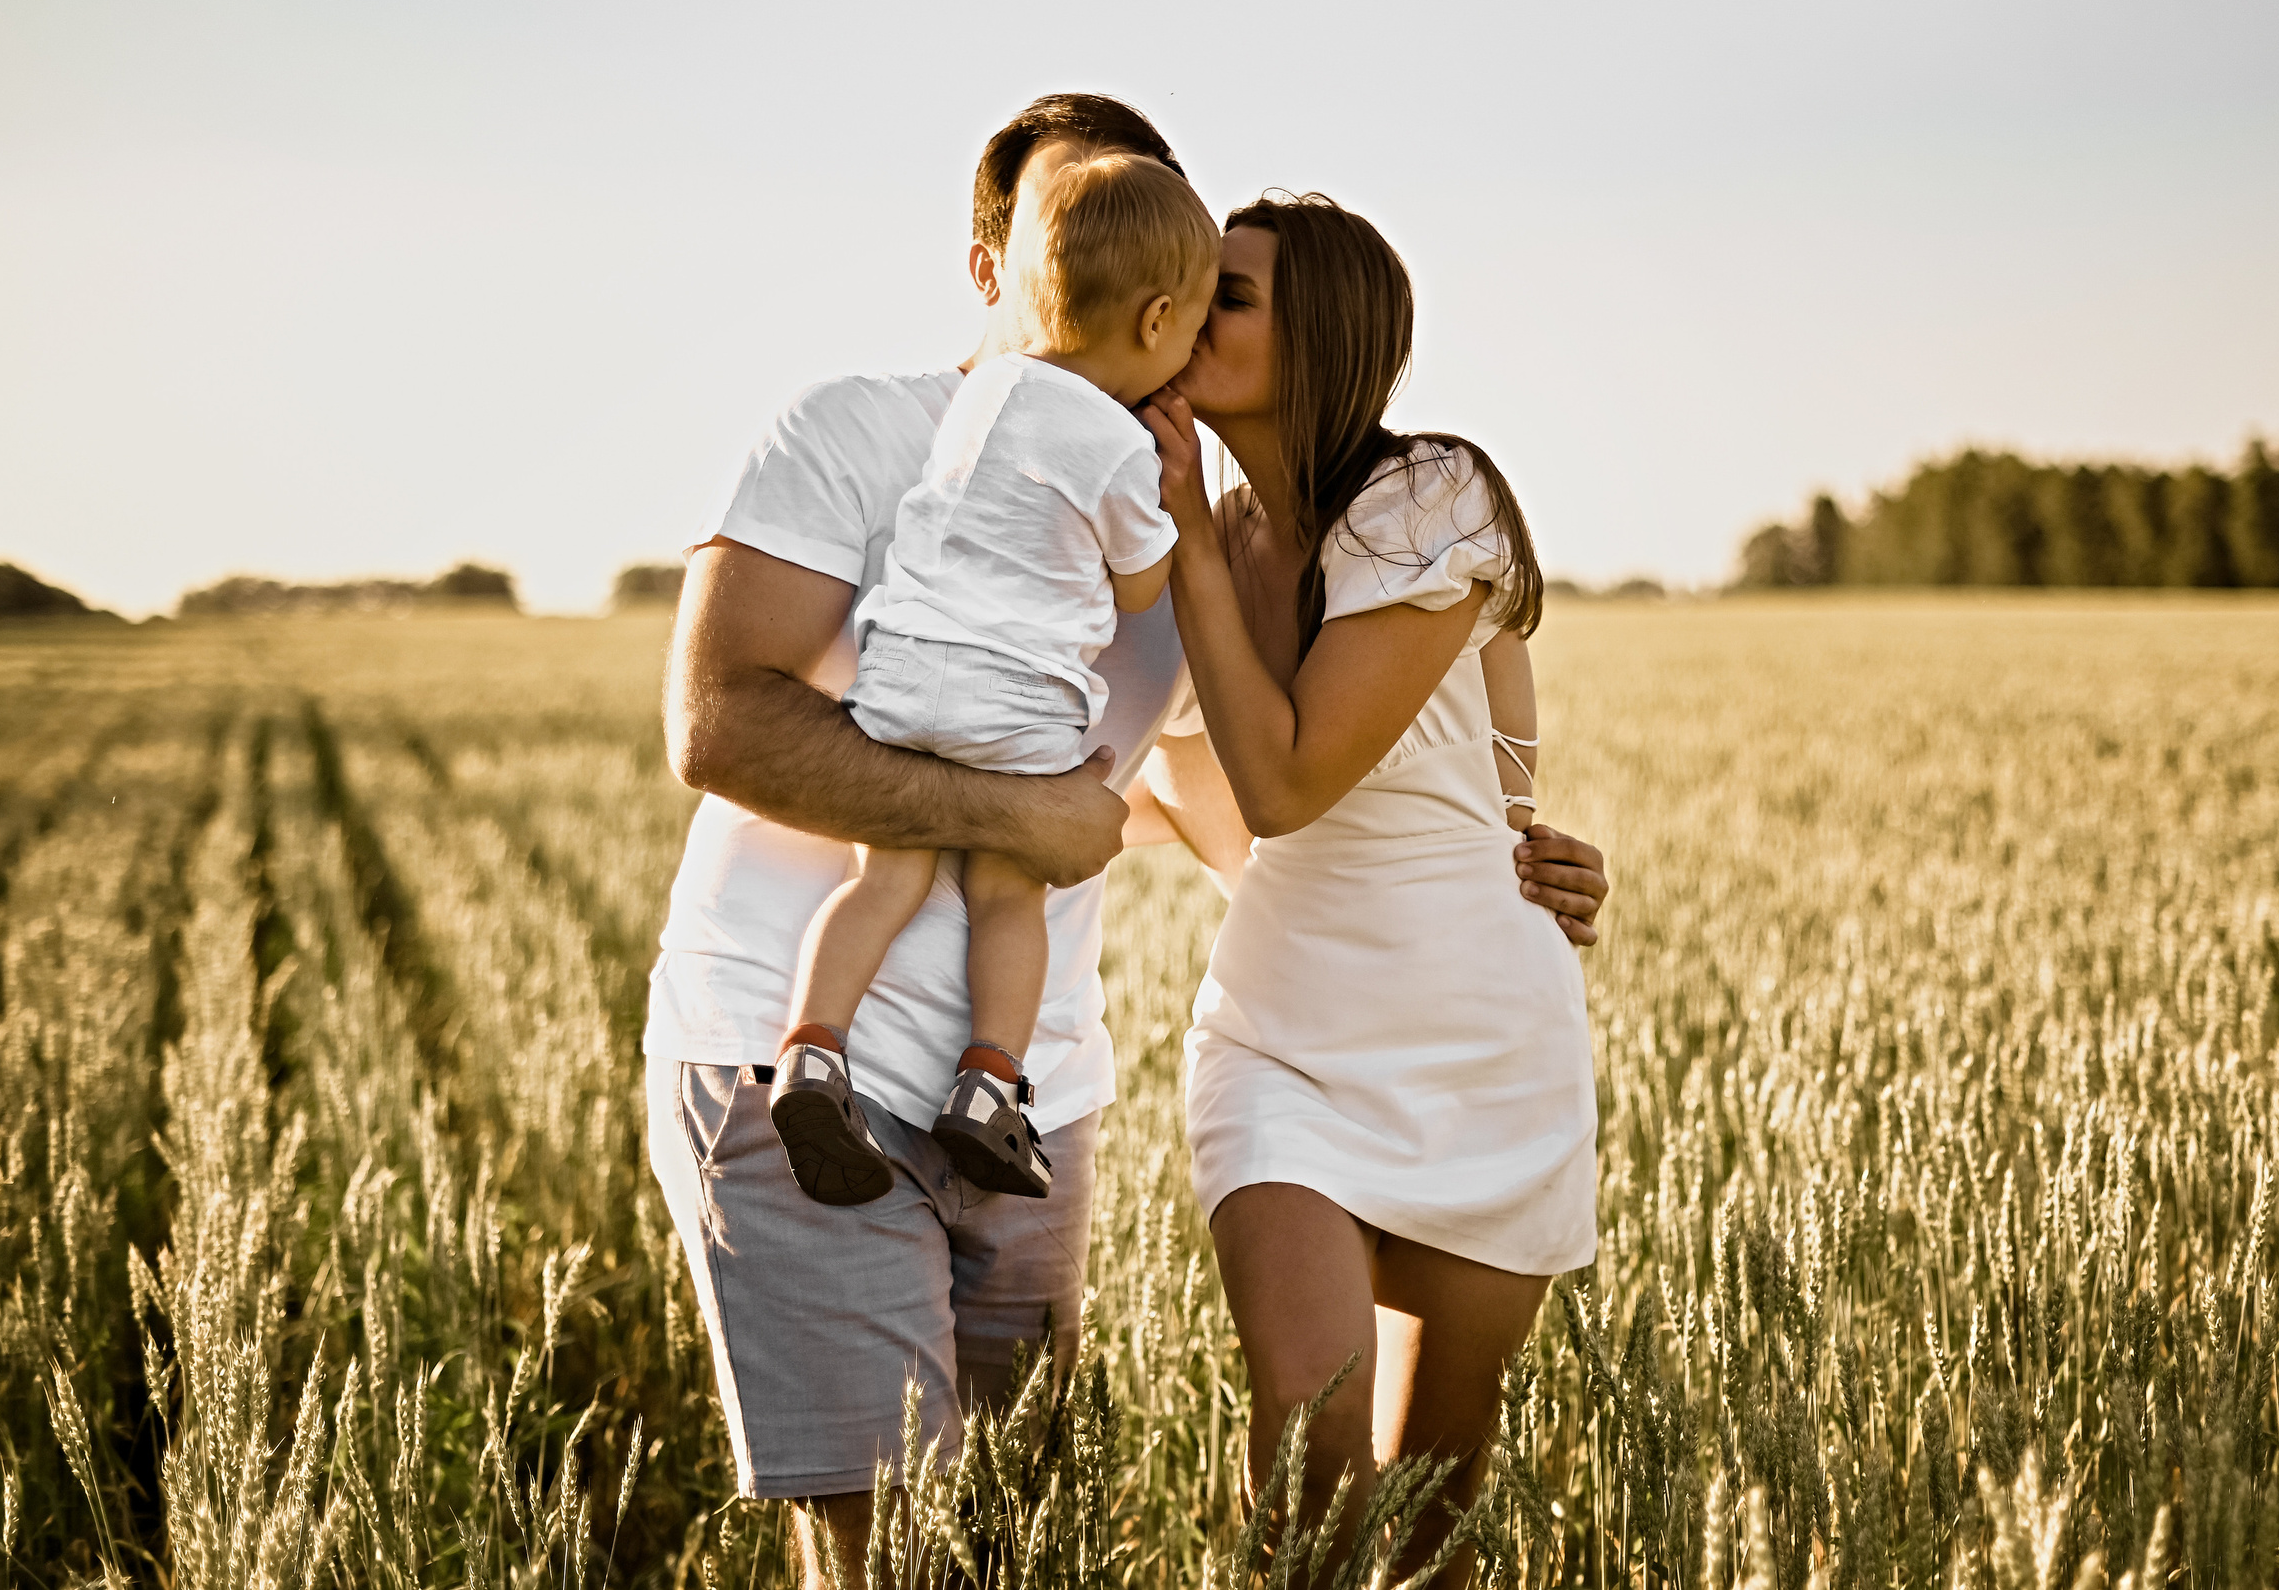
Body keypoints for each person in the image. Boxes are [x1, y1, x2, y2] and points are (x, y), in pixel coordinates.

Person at [647, 94, 1612, 1588]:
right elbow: (717, 726)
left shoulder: (1187, 529)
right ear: (994, 264)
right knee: (902, 1553)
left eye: (1170, 262)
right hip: (795, 1054)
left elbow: (1206, 802)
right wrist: (1016, 815)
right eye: (1070, 241)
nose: (1122, 290)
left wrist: (1515, 853)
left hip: (1025, 1098)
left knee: (1043, 1539)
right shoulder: (858, 432)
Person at [1140, 192, 1599, 1588]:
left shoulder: (1432, 496)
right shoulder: (1185, 531)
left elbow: (1311, 780)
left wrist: (1524, 858)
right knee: (1314, 1435)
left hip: (1484, 1049)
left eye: (1226, 293)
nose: (1183, 312)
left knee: (1435, 1503)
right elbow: (1210, 794)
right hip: (1283, 1040)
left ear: (1325, 333)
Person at [767, 154, 1217, 1206]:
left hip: (908, 675)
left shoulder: (984, 394)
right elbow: (1145, 582)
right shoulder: (1118, 444)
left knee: (882, 878)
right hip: (1018, 703)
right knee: (1007, 889)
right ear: (1156, 321)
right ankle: (988, 1082)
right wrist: (1170, 495)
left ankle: (811, 1049)